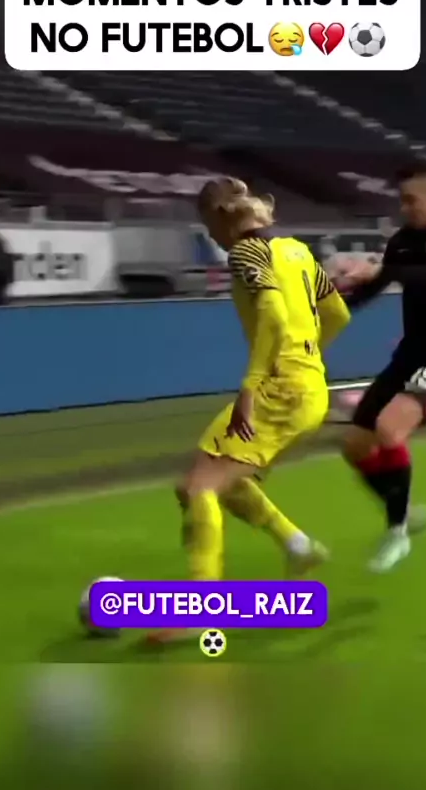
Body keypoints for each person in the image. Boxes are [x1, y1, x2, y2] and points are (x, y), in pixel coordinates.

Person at [147, 178, 351, 644]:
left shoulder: (245, 251)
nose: (213, 238)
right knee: (203, 482)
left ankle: (198, 610)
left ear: (219, 217)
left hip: (277, 390)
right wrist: (306, 359)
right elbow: (337, 314)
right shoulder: (297, 251)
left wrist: (252, 385)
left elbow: (274, 316)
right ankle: (297, 545)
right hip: (307, 386)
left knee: (200, 487)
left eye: (208, 227)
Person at [339, 157, 426, 572]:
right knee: (354, 446)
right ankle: (402, 508)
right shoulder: (403, 240)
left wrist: (382, 269)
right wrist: (327, 301)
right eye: (401, 200)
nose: (404, 208)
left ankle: (397, 531)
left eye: (411, 200)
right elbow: (370, 292)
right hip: (412, 353)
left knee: (390, 428)